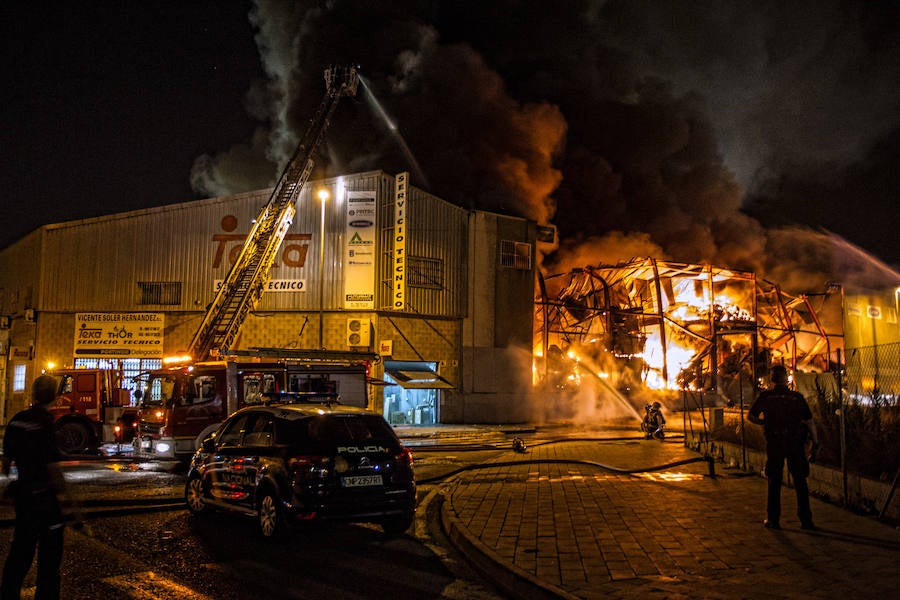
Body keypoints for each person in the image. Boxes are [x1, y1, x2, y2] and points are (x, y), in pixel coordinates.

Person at [1, 375, 76, 599]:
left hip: (25, 498)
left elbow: (6, 464)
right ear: (54, 396)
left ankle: (8, 594)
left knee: (20, 552)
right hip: (47, 501)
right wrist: (69, 504)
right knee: (49, 560)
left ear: (33, 394)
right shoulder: (46, 424)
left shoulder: (16, 421)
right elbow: (53, 469)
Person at [748, 365, 819, 531]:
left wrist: (763, 423)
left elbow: (751, 416)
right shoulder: (796, 397)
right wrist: (815, 443)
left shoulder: (766, 396)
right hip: (795, 442)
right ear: (786, 378)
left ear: (772, 379)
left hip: (775, 442)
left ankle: (773, 519)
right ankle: (806, 520)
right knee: (800, 482)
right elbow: (809, 422)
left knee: (774, 481)